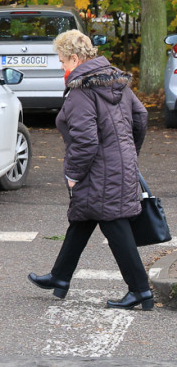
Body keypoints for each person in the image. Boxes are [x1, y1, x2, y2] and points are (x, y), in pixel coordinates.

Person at [28, 29, 153, 310]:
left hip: (97, 169)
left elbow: (85, 141)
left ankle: (141, 290)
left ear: (74, 58)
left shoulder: (82, 91)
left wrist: (73, 174)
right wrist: (128, 152)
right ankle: (60, 277)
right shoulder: (116, 81)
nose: (60, 65)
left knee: (114, 224)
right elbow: (141, 116)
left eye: (61, 60)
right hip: (117, 166)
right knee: (84, 218)